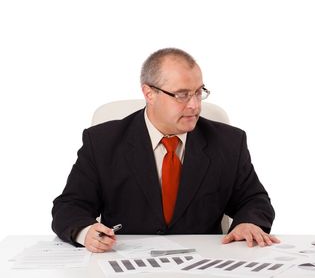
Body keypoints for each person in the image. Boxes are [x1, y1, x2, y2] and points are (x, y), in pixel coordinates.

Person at [52, 48, 278, 253]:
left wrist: (248, 222)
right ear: (149, 93)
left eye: (199, 92)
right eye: (181, 95)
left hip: (202, 264)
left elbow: (254, 199)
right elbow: (70, 206)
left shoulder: (228, 142)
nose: (194, 105)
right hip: (125, 261)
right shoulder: (102, 141)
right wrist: (86, 232)